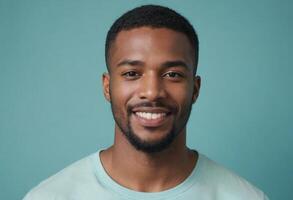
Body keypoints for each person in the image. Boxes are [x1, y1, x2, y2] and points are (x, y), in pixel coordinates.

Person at [23, 5, 269, 200]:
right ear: (107, 87)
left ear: (195, 89)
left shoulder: (243, 197)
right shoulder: (51, 196)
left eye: (172, 74)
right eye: (132, 74)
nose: (152, 92)